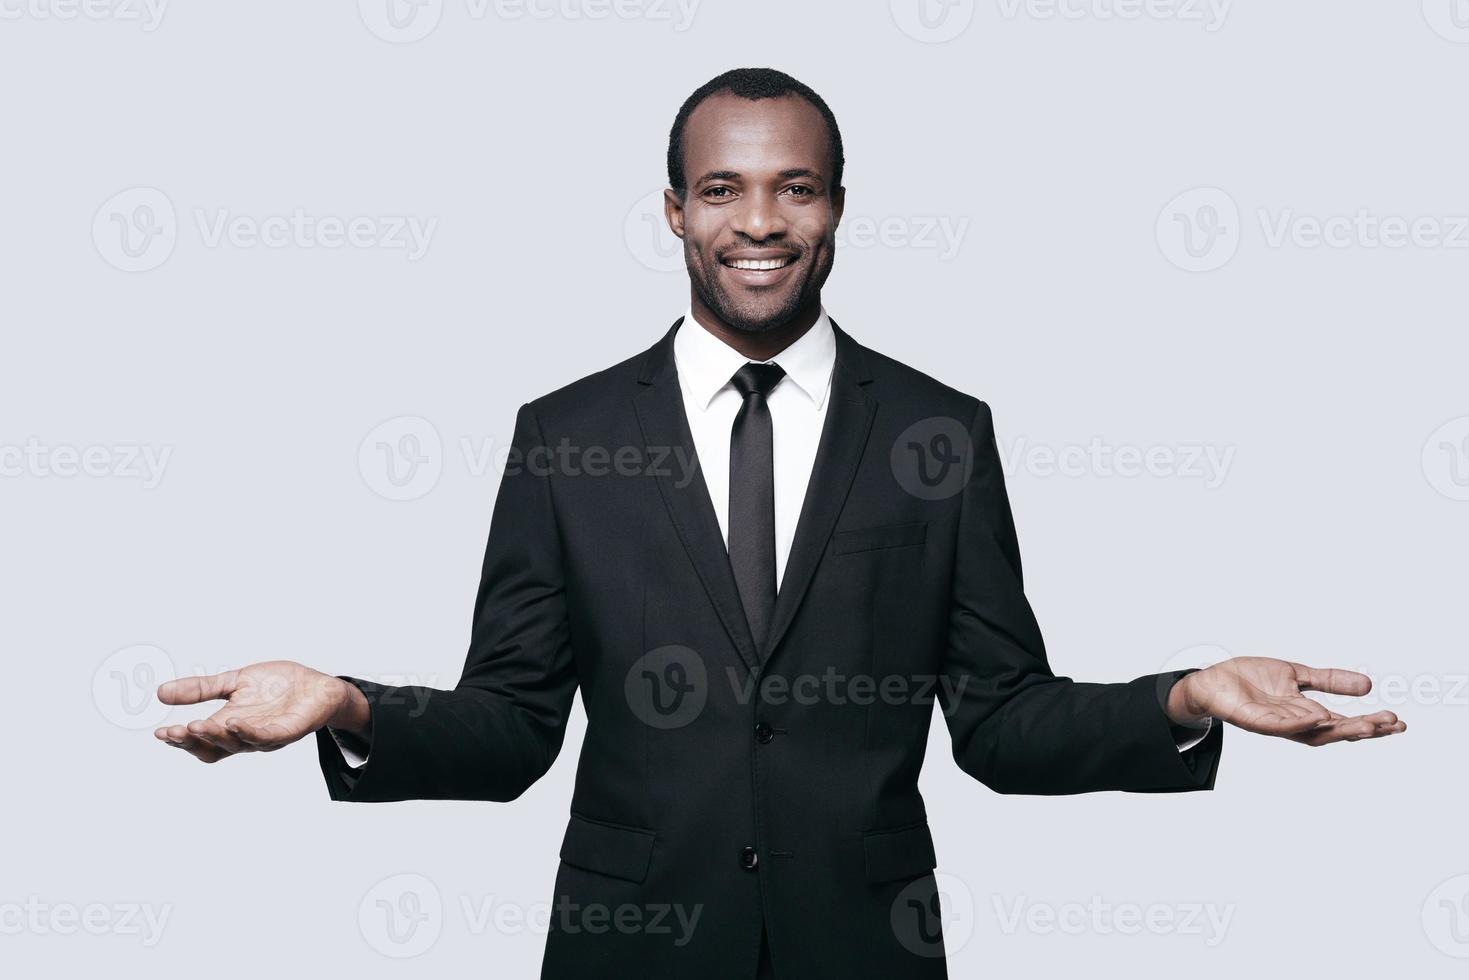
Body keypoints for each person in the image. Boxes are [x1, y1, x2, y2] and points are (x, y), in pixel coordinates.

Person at [154, 68, 1405, 979]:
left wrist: (1184, 694)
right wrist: (352, 704)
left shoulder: (938, 431)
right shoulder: (564, 433)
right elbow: (510, 729)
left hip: (864, 950)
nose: (758, 221)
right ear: (671, 211)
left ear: (837, 207)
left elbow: (1005, 722)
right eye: (722, 189)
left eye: (792, 188)